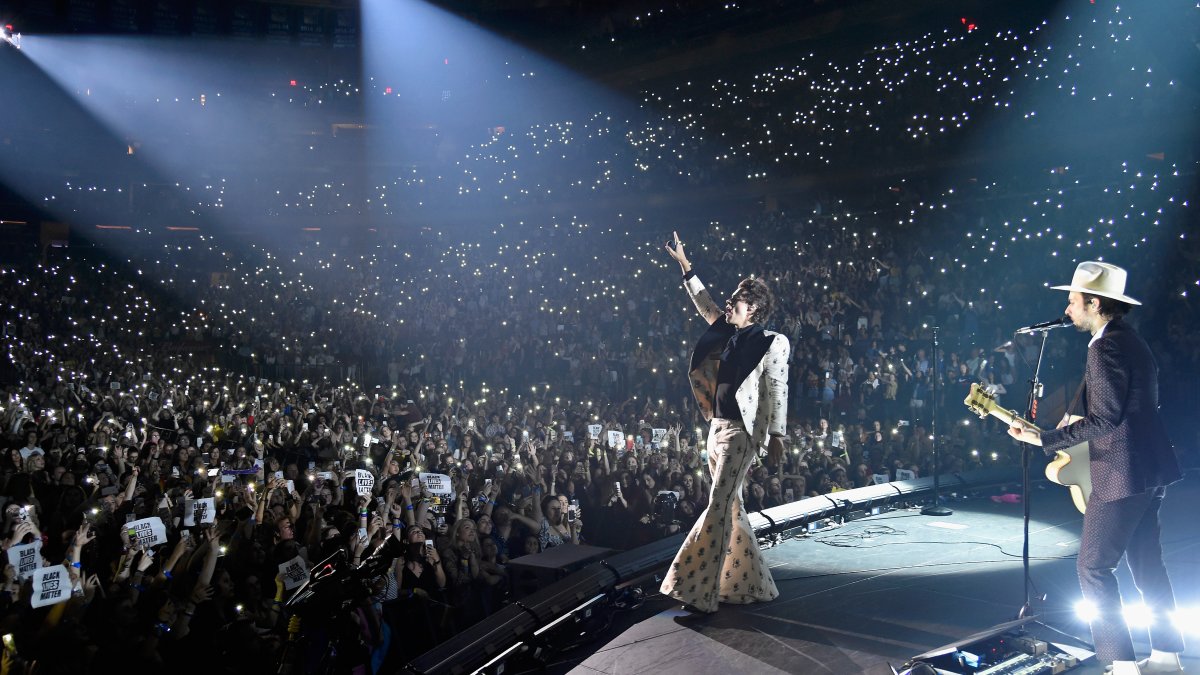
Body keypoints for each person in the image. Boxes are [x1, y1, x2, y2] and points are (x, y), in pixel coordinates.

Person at [1008, 261, 1184, 675]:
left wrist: (1044, 439)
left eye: (1073, 301)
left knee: (1092, 568)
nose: (1067, 310)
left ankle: (1121, 664)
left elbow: (1105, 419)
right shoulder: (1131, 340)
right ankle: (1166, 657)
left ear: (1094, 303)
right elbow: (1125, 410)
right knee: (1148, 567)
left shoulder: (1103, 348)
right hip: (1148, 468)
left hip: (1122, 474)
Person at [659, 231, 789, 613]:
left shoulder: (773, 342)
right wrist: (685, 265)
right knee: (731, 506)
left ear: (755, 308)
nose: (729, 303)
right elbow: (705, 302)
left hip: (741, 434)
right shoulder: (726, 331)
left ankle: (695, 590)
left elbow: (777, 388)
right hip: (715, 429)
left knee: (718, 504)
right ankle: (751, 584)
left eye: (738, 300)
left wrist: (777, 435)